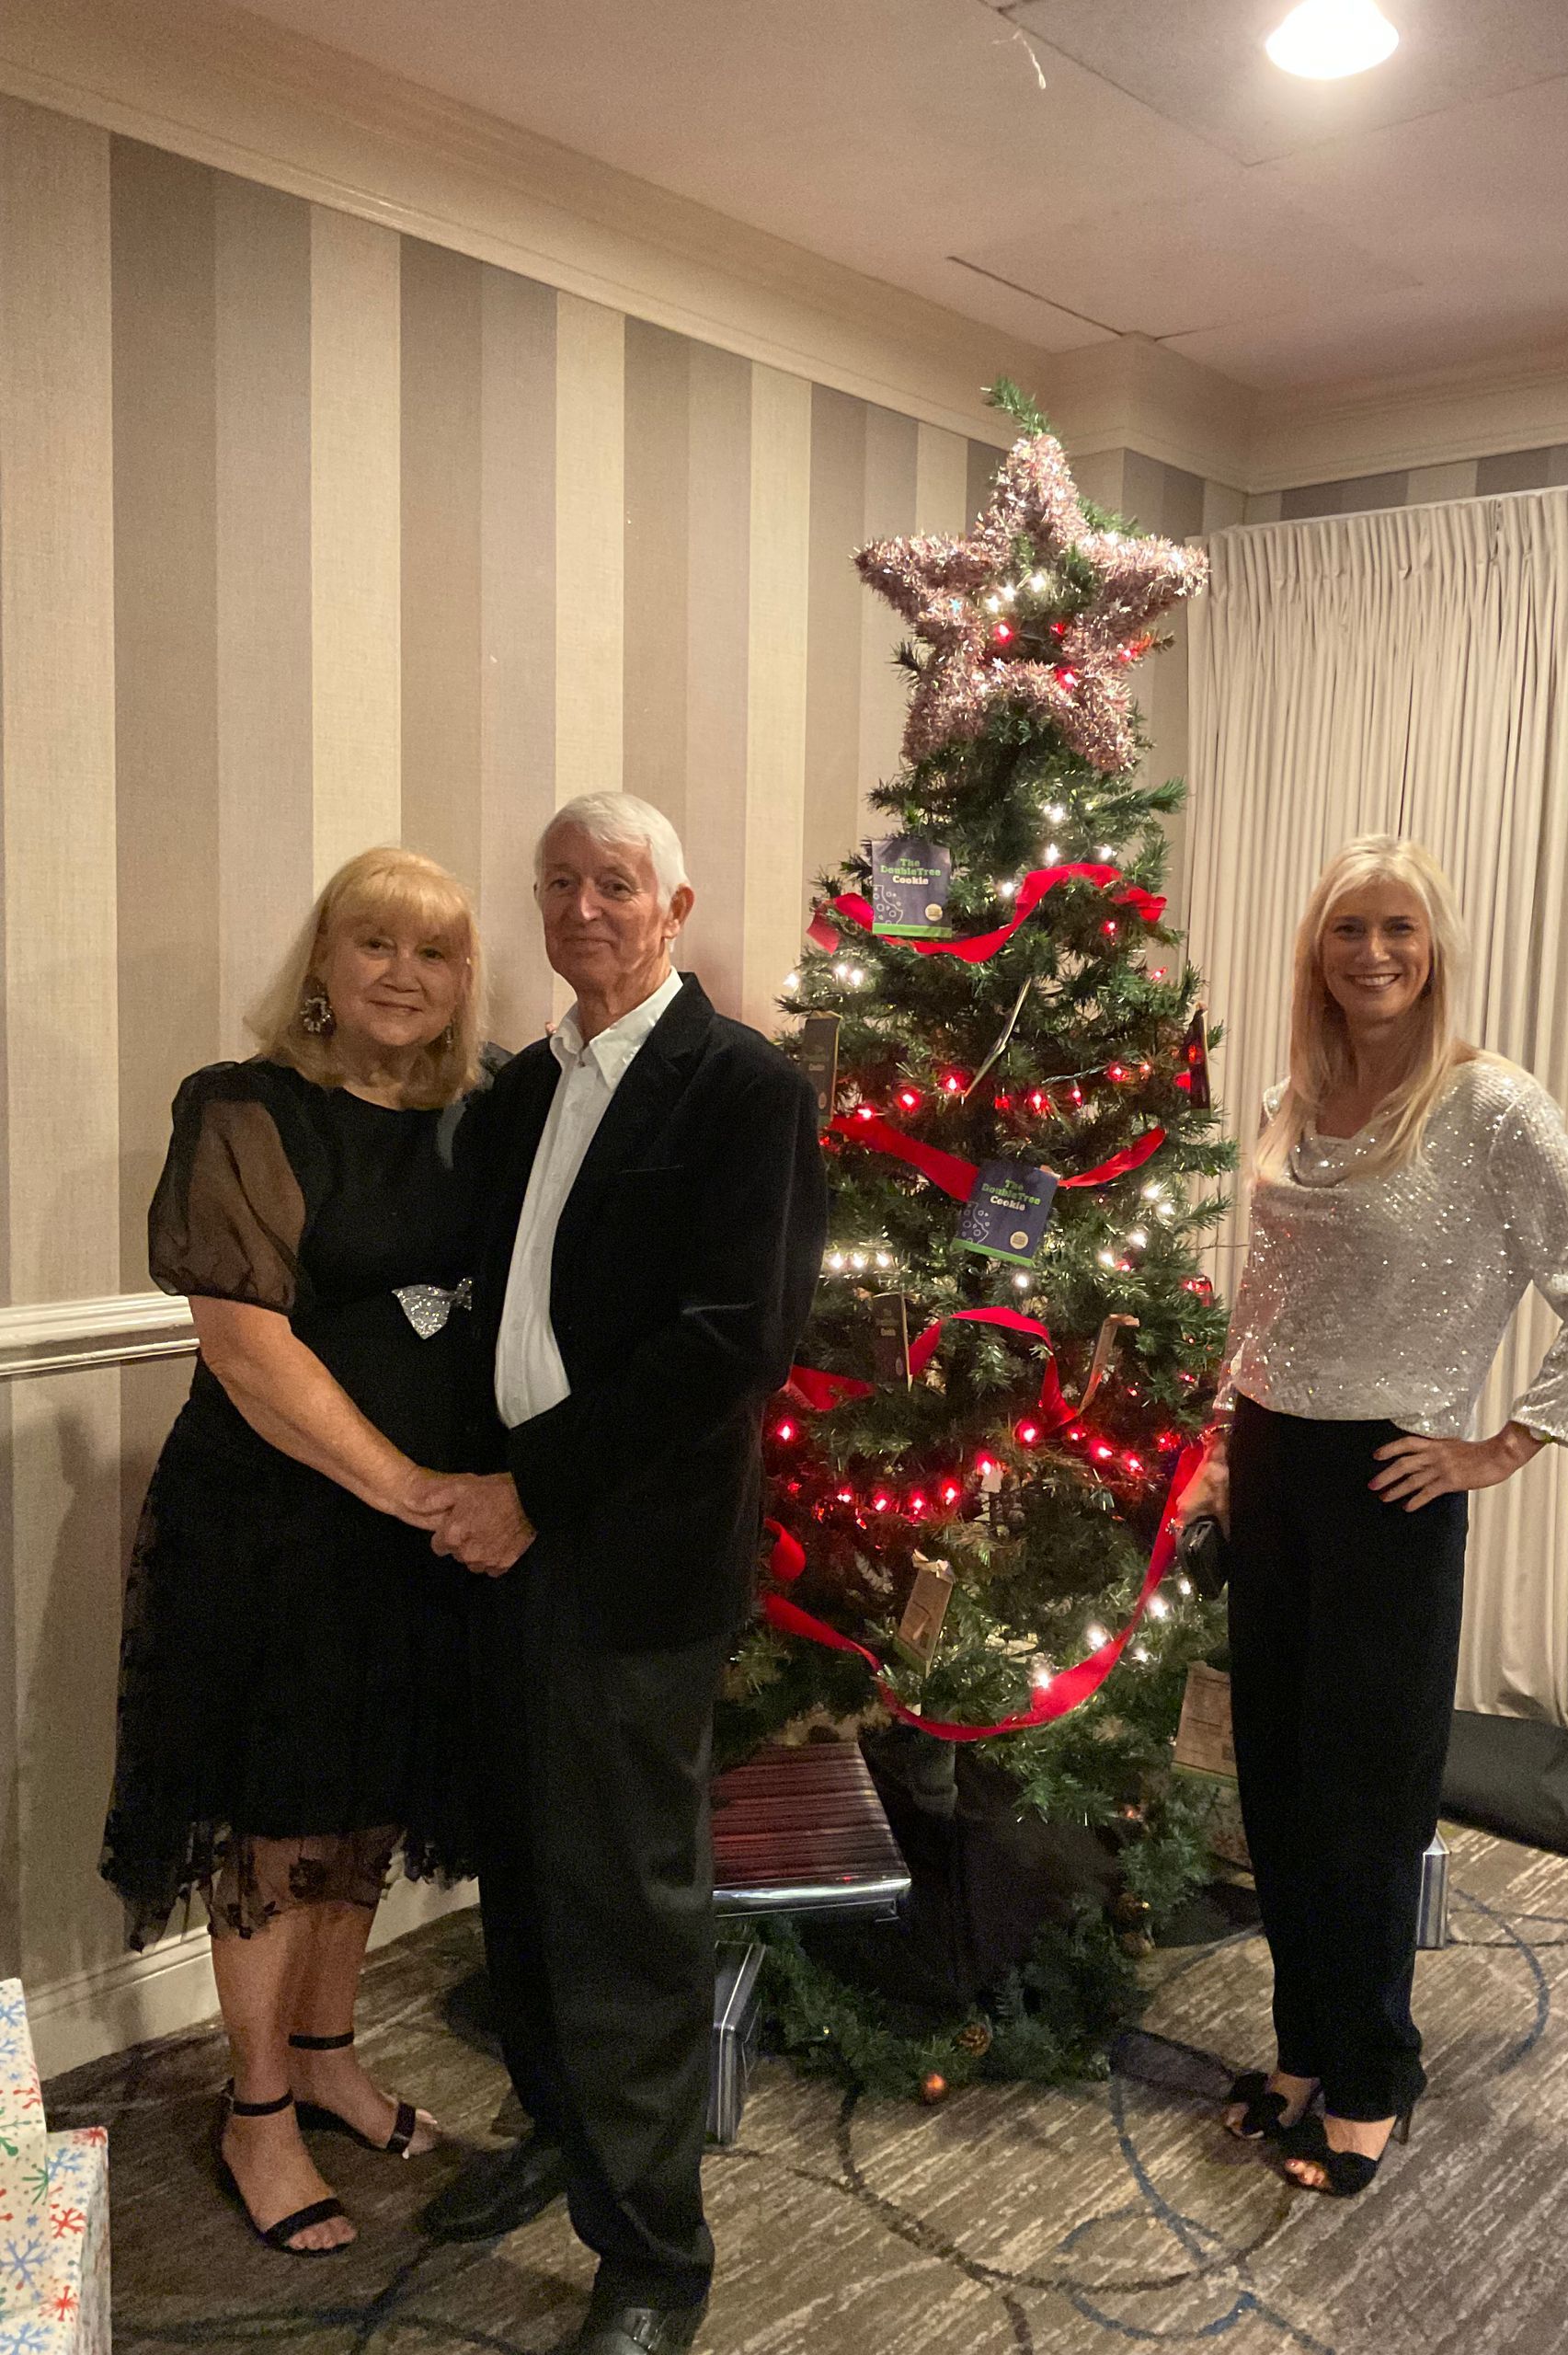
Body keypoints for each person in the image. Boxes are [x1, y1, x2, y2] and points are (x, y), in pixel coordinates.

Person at [1180, 834, 1568, 2199]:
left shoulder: (1490, 1106)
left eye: (1398, 929)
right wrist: (1223, 1441)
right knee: (1270, 1781)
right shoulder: (1295, 1093)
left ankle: (1376, 2071)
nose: (1372, 954)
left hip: (1391, 1482)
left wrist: (1506, 1442)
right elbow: (1263, 1297)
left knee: (1364, 1800)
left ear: (1433, 946)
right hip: (1269, 1464)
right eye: (1347, 931)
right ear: (1315, 953)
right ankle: (1303, 2044)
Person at [418, 793, 827, 2355]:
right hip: (497, 1537)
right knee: (521, 1877)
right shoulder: (525, 1088)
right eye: (561, 884)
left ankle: (656, 2254)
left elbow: (736, 1342)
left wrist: (536, 1491)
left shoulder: (743, 1091)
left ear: (676, 906)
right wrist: (470, 1491)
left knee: (627, 1908)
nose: (585, 907)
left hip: (629, 1558)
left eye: (617, 885)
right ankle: (555, 2132)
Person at [100, 848, 490, 2256]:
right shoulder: (243, 1108)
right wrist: (412, 1489)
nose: (402, 974)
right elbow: (247, 1353)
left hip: (416, 1533)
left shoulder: (479, 1114)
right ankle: (255, 2104)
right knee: (277, 1818)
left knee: (365, 1803)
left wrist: (448, 1504)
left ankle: (327, 2050)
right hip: (278, 1526)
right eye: (373, 943)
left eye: (434, 953)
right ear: (322, 964)